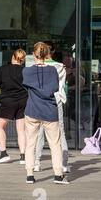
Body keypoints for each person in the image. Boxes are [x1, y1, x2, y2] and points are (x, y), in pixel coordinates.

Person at [23, 42, 69, 185]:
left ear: (33, 54)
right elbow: (55, 87)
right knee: (55, 144)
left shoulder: (26, 71)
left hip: (32, 109)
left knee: (30, 143)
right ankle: (58, 174)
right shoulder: (53, 70)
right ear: (47, 54)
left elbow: (26, 86)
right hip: (50, 110)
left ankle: (30, 174)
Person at [0, 49, 27, 164]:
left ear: (13, 57)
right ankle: (23, 157)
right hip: (23, 101)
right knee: (21, 130)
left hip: (8, 101)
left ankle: (3, 154)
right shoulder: (25, 71)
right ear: (23, 60)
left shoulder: (3, 69)